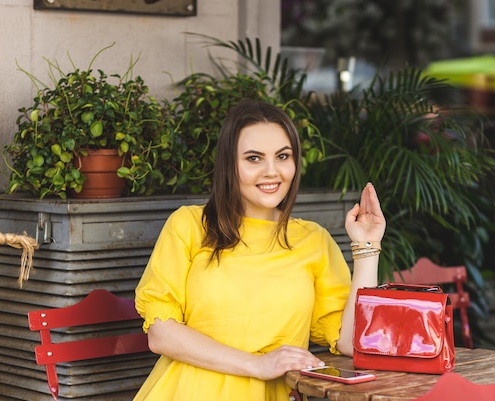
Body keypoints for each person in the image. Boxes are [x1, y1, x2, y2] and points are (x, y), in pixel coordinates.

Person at [133, 100, 386, 401]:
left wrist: (367, 246)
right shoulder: (189, 225)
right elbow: (160, 334)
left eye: (283, 156)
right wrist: (256, 364)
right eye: (254, 158)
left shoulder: (313, 240)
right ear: (230, 164)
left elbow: (351, 341)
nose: (271, 171)